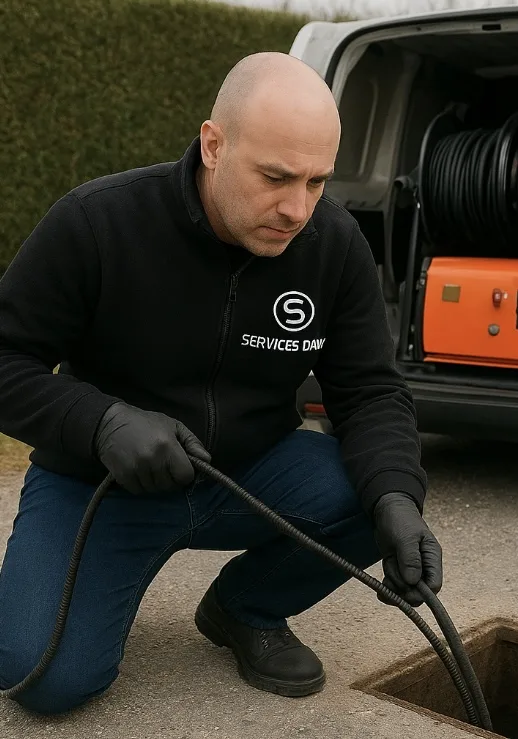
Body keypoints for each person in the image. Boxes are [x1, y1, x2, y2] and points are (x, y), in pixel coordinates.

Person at [0, 52, 442, 715]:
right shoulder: (98, 223)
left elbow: (370, 392)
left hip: (249, 474)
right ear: (213, 144)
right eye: (274, 177)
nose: (297, 209)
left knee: (374, 488)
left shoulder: (335, 246)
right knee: (42, 678)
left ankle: (245, 607)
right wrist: (101, 421)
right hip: (100, 482)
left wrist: (401, 499)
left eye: (317, 181)